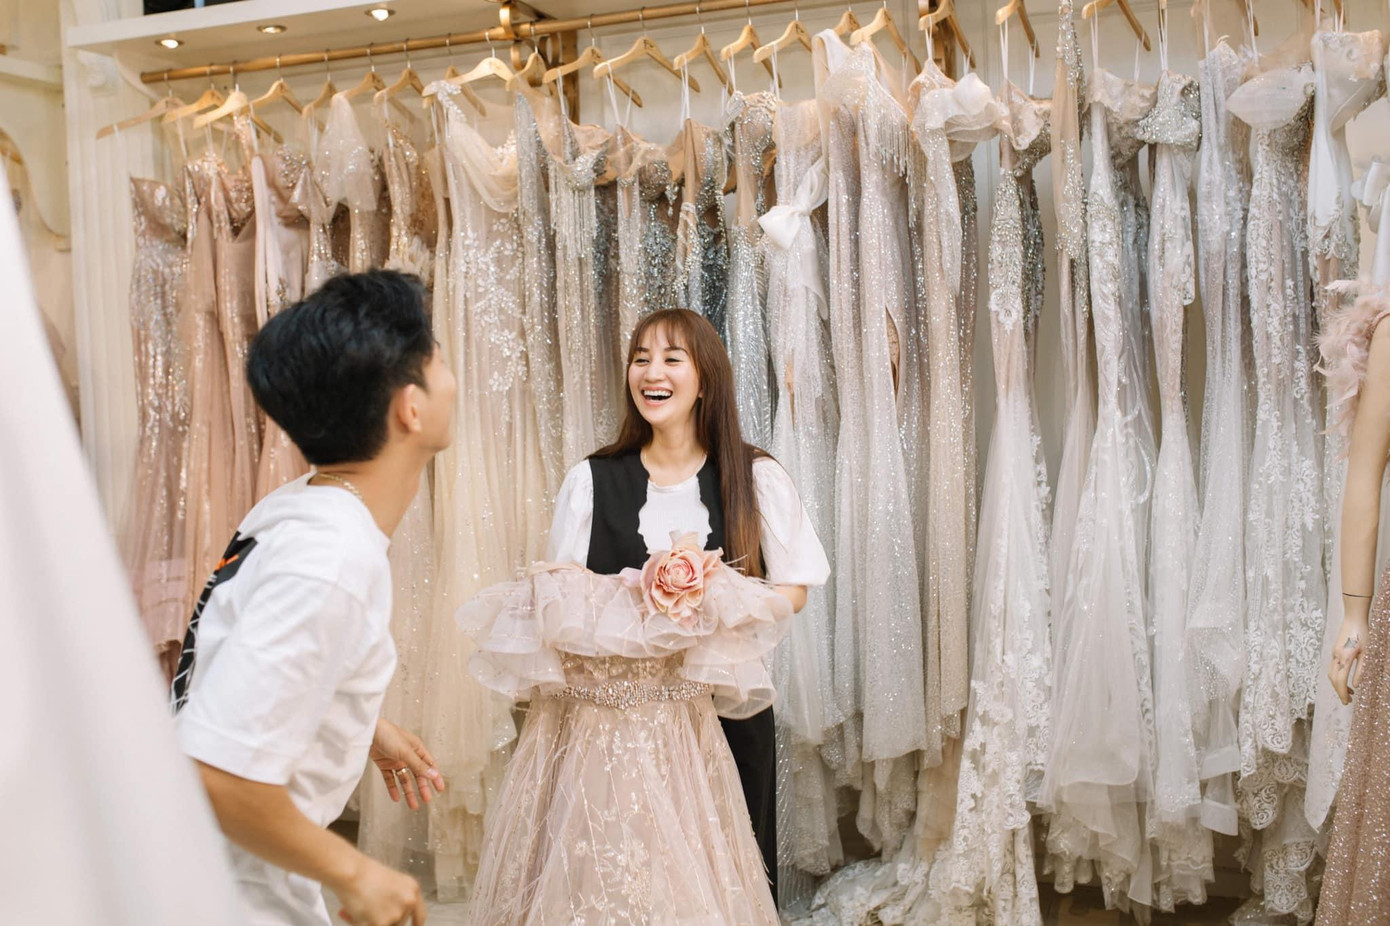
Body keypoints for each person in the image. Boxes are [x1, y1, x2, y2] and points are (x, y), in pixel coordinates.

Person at [459, 308, 829, 922]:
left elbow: (795, 588)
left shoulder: (755, 476)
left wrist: (717, 600)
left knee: (727, 880)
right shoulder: (591, 479)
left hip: (725, 715)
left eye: (671, 359)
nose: (652, 372)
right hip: (618, 733)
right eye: (641, 358)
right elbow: (561, 597)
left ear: (705, 379)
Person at [172, 270, 455, 926]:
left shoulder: (300, 506)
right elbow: (215, 771)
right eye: (438, 359)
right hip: (230, 893)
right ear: (410, 408)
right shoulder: (330, 558)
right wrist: (358, 873)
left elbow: (234, 654)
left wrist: (356, 719)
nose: (451, 377)